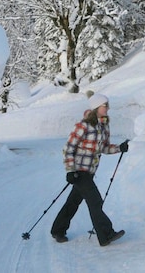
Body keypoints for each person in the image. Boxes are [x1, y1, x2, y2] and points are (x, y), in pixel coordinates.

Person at [51, 92, 129, 246]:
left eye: (107, 105)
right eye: (104, 105)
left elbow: (104, 148)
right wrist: (70, 171)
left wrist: (119, 148)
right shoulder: (84, 126)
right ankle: (106, 234)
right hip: (79, 172)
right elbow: (68, 148)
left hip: (90, 172)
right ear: (96, 108)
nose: (107, 108)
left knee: (72, 203)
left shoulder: (104, 127)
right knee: (95, 201)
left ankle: (58, 230)